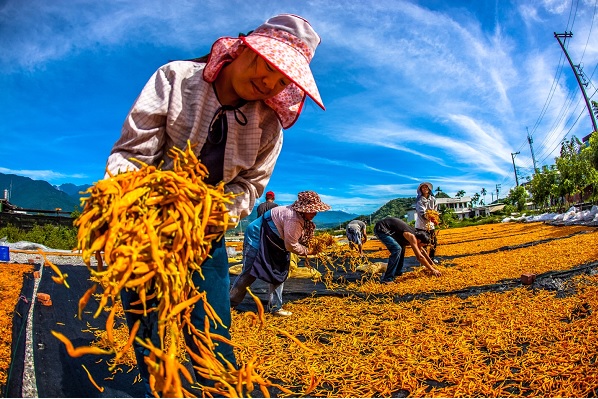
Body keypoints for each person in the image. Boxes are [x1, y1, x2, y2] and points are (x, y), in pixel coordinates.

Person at [103, 14, 325, 395]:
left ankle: (217, 390)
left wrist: (213, 212)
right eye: (267, 64)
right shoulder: (175, 80)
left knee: (213, 330)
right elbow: (133, 153)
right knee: (148, 323)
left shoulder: (268, 125)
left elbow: (250, 184)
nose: (269, 81)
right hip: (143, 227)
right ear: (243, 48)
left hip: (205, 234)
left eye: (282, 78)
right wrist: (139, 204)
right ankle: (159, 387)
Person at [229, 191, 330, 316]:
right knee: (249, 272)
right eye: (312, 210)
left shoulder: (301, 218)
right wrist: (309, 251)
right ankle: (229, 303)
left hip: (275, 240)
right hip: (257, 237)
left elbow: (295, 239)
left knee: (279, 271)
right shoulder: (294, 219)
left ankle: (275, 307)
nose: (315, 213)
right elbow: (291, 245)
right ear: (303, 209)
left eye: (316, 210)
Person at [374, 217, 441, 283]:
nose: (423, 247)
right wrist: (432, 270)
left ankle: (397, 272)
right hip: (381, 229)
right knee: (397, 249)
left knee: (401, 247)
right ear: (419, 241)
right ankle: (387, 278)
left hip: (390, 229)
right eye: (424, 245)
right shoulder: (412, 237)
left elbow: (422, 251)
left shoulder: (417, 236)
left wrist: (432, 264)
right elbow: (419, 257)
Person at [415, 182, 439, 263]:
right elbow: (422, 212)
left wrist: (435, 217)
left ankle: (431, 258)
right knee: (423, 243)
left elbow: (435, 210)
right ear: (421, 190)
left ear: (429, 189)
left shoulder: (433, 199)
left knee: (434, 243)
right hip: (421, 225)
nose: (425, 189)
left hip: (431, 225)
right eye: (423, 188)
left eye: (426, 187)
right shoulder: (420, 200)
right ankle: (424, 260)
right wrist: (429, 216)